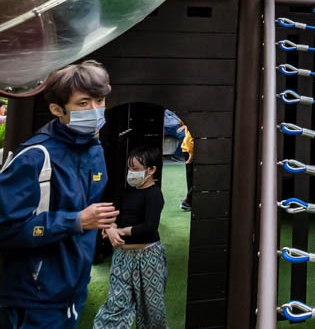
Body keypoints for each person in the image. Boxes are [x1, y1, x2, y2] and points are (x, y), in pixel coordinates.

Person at [0, 60, 116, 328]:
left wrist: (104, 224)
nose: (96, 110)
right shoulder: (34, 157)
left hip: (74, 289)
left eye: (100, 100)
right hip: (33, 297)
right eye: (84, 103)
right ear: (57, 109)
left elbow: (87, 207)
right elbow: (5, 227)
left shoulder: (94, 150)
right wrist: (75, 221)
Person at [93, 144, 166, 329]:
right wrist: (111, 228)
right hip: (123, 257)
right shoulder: (127, 192)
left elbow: (150, 226)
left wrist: (121, 231)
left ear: (151, 170)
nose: (131, 172)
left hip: (149, 257)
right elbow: (115, 215)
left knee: (152, 311)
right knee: (116, 304)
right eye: (130, 168)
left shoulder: (154, 194)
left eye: (136, 169)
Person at [180, 127, 194, 212]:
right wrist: (191, 154)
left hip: (187, 149)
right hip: (190, 150)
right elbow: (190, 139)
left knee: (191, 177)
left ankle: (189, 200)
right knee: (196, 177)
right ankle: (188, 201)